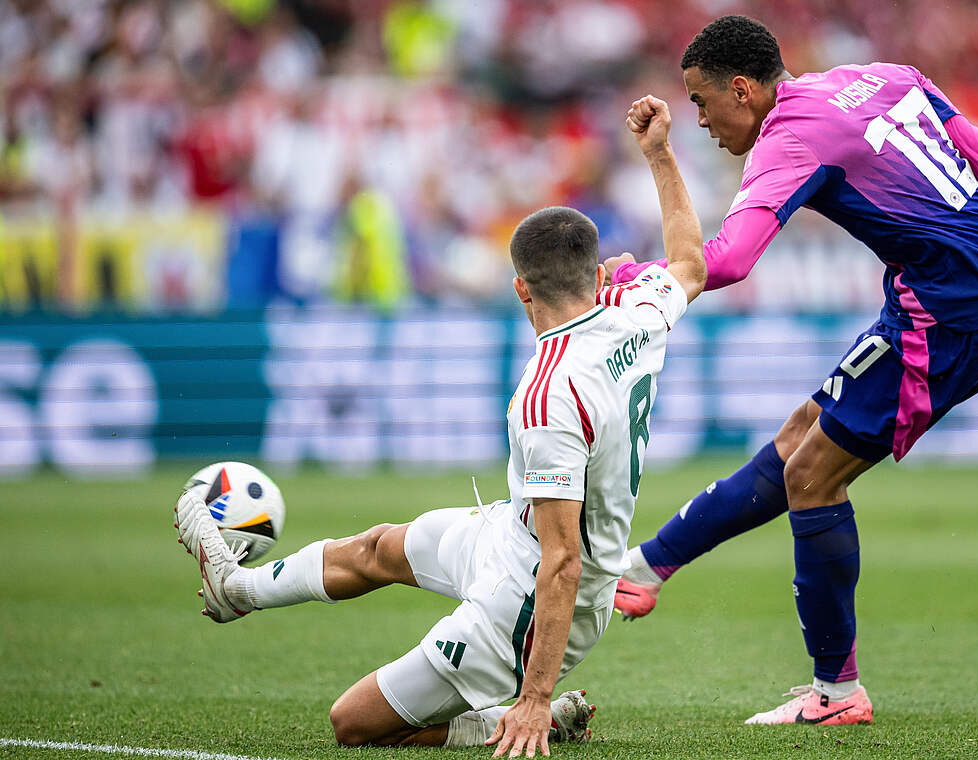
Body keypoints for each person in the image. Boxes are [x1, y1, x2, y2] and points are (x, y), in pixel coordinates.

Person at [606, 15, 978, 726]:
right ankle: (645, 569)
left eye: (703, 103)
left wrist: (636, 275)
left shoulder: (789, 139)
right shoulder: (884, 79)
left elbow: (729, 261)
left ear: (742, 89)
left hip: (952, 316)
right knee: (801, 434)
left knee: (812, 477)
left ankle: (837, 694)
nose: (701, 120)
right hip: (967, 291)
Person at [173, 108, 706, 756]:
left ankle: (510, 716)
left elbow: (563, 562)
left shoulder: (546, 397)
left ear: (520, 291)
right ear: (598, 277)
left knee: (356, 723)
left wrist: (535, 696)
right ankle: (238, 592)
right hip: (508, 535)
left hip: (526, 608)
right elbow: (689, 262)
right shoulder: (638, 310)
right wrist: (659, 155)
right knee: (379, 549)